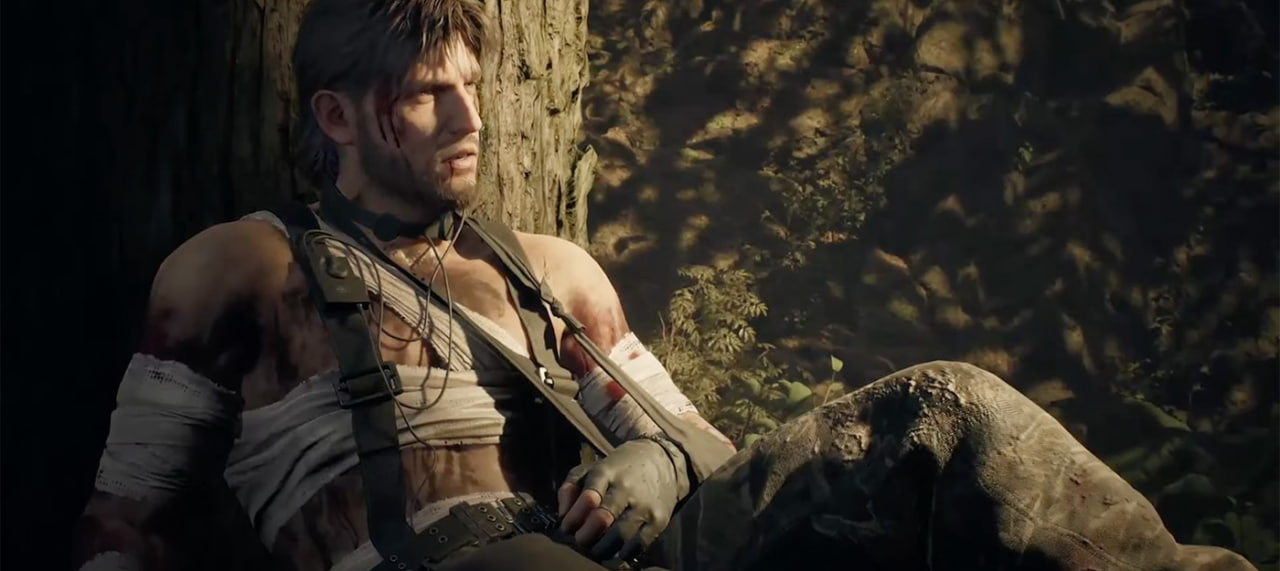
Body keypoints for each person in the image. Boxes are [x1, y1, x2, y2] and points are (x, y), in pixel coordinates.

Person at [72, 1, 1258, 570]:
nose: (470, 119)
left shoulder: (548, 272)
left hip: (653, 553)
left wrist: (655, 460)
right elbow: (123, 523)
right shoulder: (239, 269)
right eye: (429, 95)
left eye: (473, 87)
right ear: (337, 117)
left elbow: (701, 444)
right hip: (440, 556)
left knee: (945, 408)